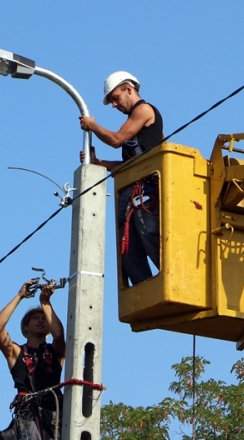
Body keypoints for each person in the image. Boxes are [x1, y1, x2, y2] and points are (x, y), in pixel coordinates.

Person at [79, 71, 164, 285]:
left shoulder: (144, 110)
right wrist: (100, 164)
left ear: (129, 89)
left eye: (115, 98)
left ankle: (169, 280)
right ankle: (147, 292)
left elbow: (117, 140)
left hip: (146, 193)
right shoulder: (134, 123)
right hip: (132, 193)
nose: (114, 105)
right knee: (128, 251)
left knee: (150, 236)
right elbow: (129, 164)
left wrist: (93, 126)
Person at [0, 279, 65, 440]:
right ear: (26, 327)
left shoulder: (55, 351)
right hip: (30, 413)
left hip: (56, 412)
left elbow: (59, 335)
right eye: (35, 318)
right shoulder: (16, 352)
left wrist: (45, 302)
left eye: (43, 318)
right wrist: (20, 296)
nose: (40, 320)